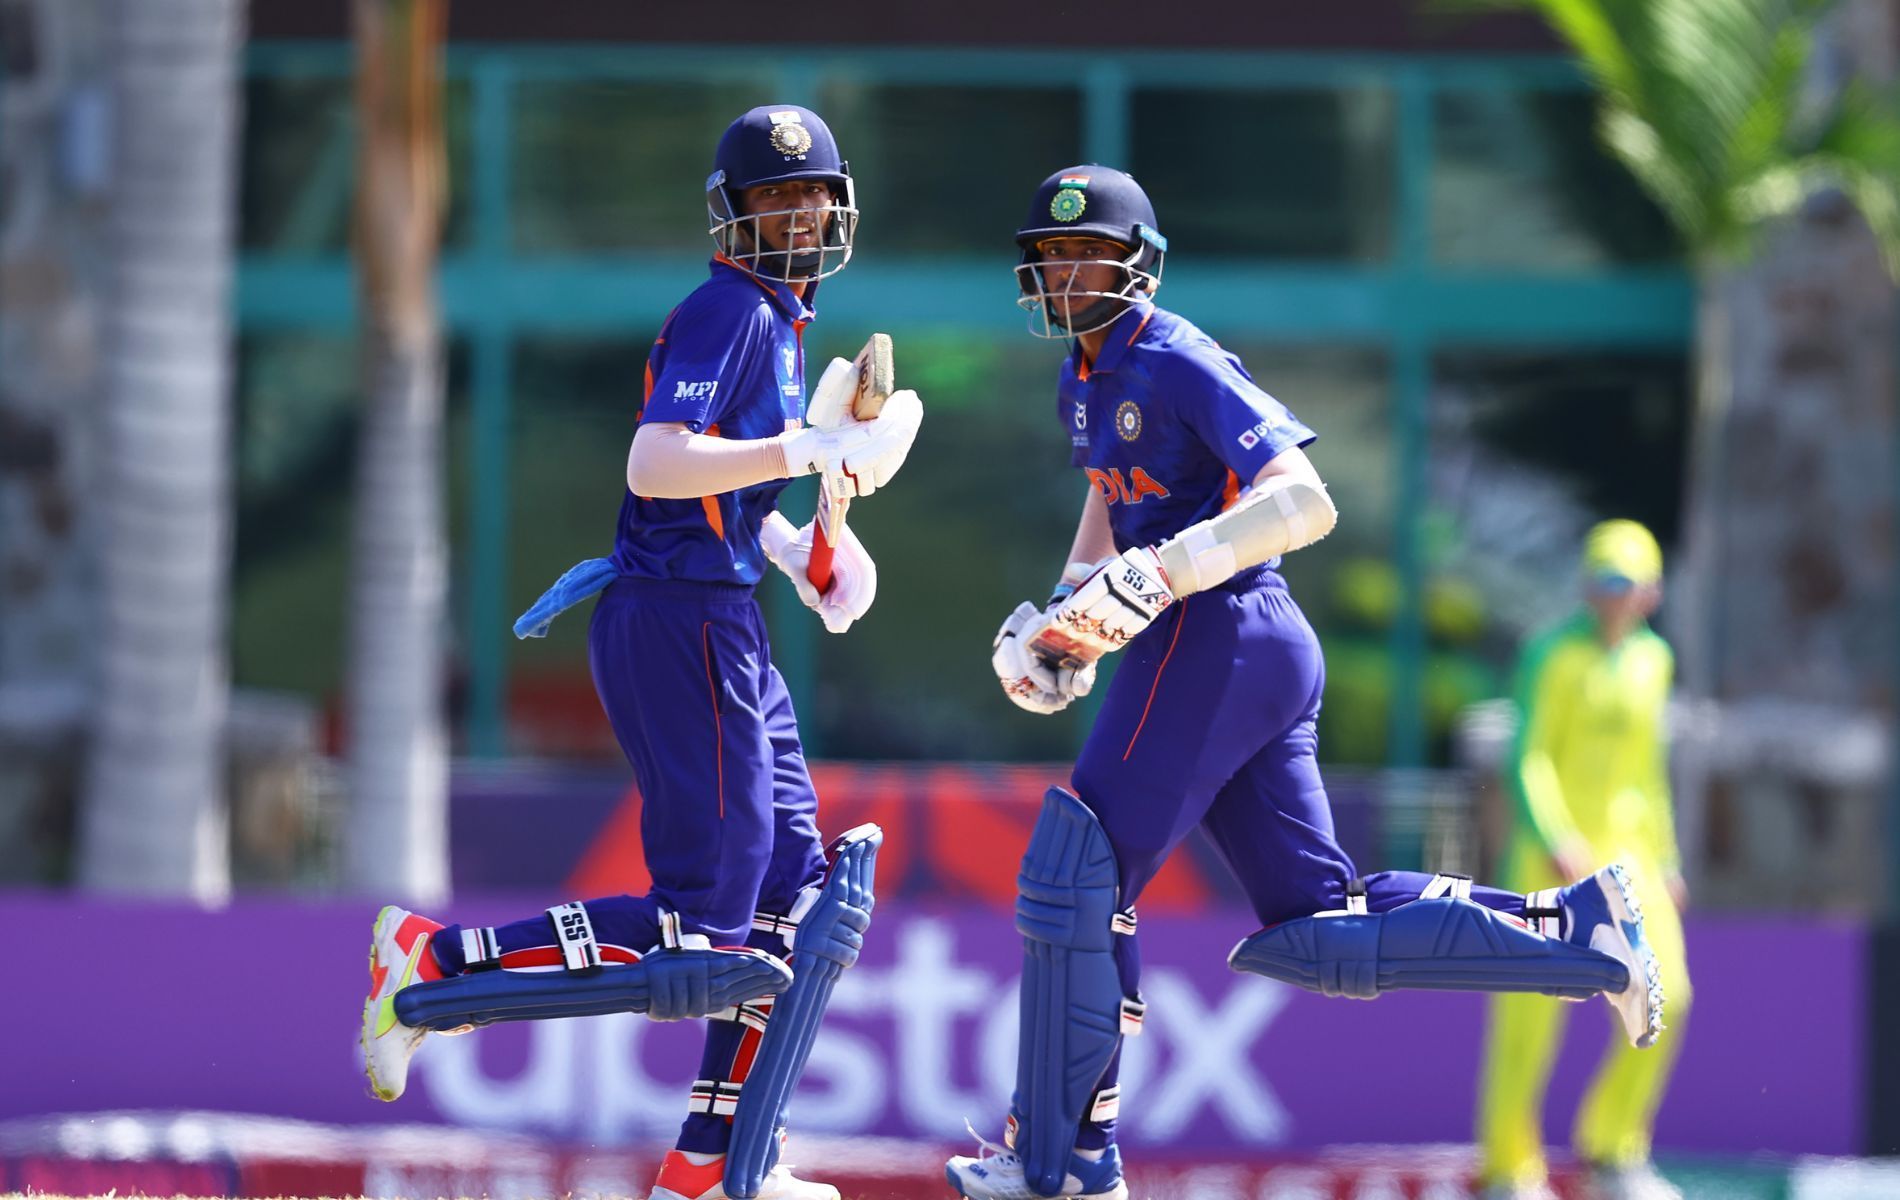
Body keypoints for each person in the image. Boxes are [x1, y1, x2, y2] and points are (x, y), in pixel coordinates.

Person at [943, 165, 1665, 1200]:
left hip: (1221, 632)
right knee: (1318, 928)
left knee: (1076, 879)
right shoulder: (1083, 376)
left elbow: (1304, 501)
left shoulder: (1178, 357)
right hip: (1217, 645)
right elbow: (1111, 507)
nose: (1065, 273)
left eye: (1086, 253)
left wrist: (1169, 569)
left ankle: (1063, 1158)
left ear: (1136, 266)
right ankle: (1579, 933)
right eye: (1051, 256)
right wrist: (1069, 620)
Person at [357, 104, 922, 1200]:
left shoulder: (778, 322)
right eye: (774, 199)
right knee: (707, 932)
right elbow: (656, 466)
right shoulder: (732, 311)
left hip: (722, 616)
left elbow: (725, 496)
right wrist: (809, 445)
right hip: (676, 621)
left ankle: (713, 1164)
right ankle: (429, 965)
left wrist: (812, 539)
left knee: (796, 909)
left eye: (812, 199)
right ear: (731, 215)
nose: (796, 217)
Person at [1475, 520, 1690, 1200]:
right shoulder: (1551, 653)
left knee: (1667, 1002)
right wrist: (1552, 836)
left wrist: (1669, 857)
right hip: (1552, 863)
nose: (1609, 596)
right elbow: (1528, 755)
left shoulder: (1655, 661)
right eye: (1599, 581)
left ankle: (1613, 1153)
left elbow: (1648, 773)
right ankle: (1511, 1171)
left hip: (1635, 864)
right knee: (1529, 1025)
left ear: (1651, 592)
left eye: (1623, 583)